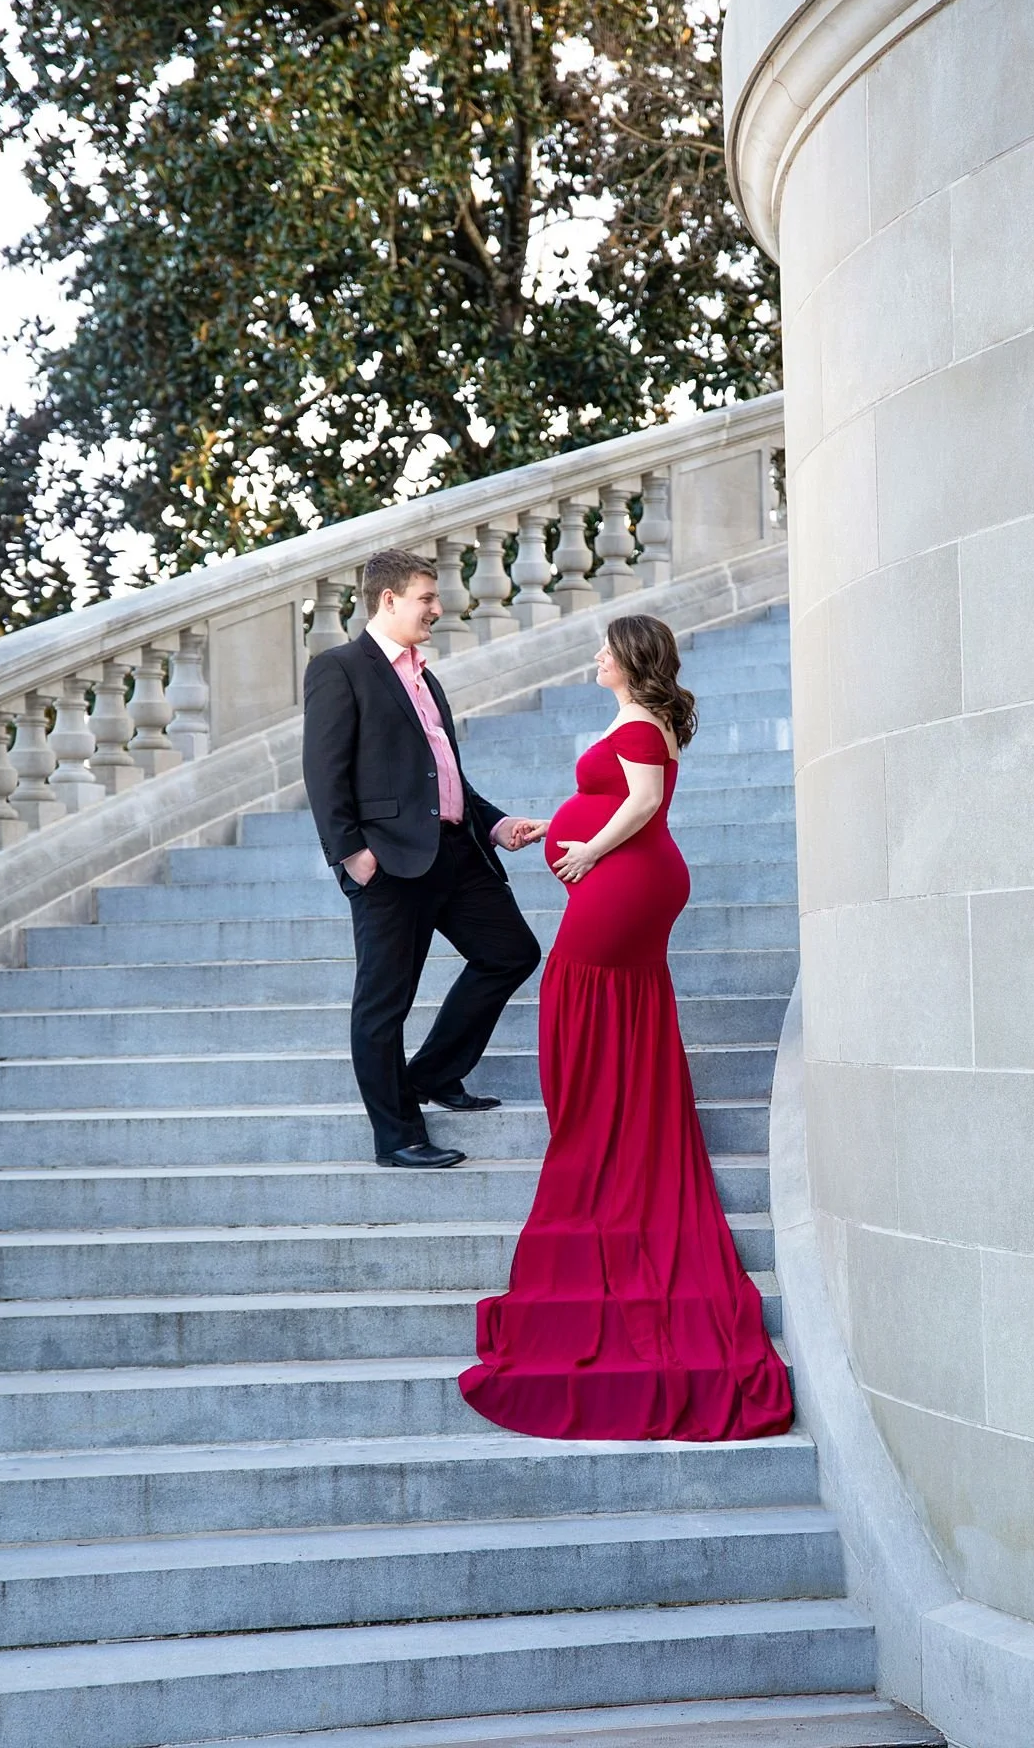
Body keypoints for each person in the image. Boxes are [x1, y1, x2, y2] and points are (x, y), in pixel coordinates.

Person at [459, 613, 794, 1439]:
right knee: (594, 1000)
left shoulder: (643, 721)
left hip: (626, 881)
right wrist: (557, 824)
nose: (596, 655)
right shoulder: (638, 719)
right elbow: (618, 794)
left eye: (607, 647)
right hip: (624, 875)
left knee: (577, 989)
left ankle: (602, 1130)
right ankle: (613, 1117)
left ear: (631, 658)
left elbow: (643, 801)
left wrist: (587, 851)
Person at [302, 549, 544, 1170]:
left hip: (457, 854)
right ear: (388, 600)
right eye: (426, 598)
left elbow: (445, 775)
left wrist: (494, 824)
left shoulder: (425, 676)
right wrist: (350, 854)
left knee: (511, 952)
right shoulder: (340, 668)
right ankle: (397, 1136)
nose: (438, 609)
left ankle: (434, 1073)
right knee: (384, 1002)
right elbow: (324, 773)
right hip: (387, 865)